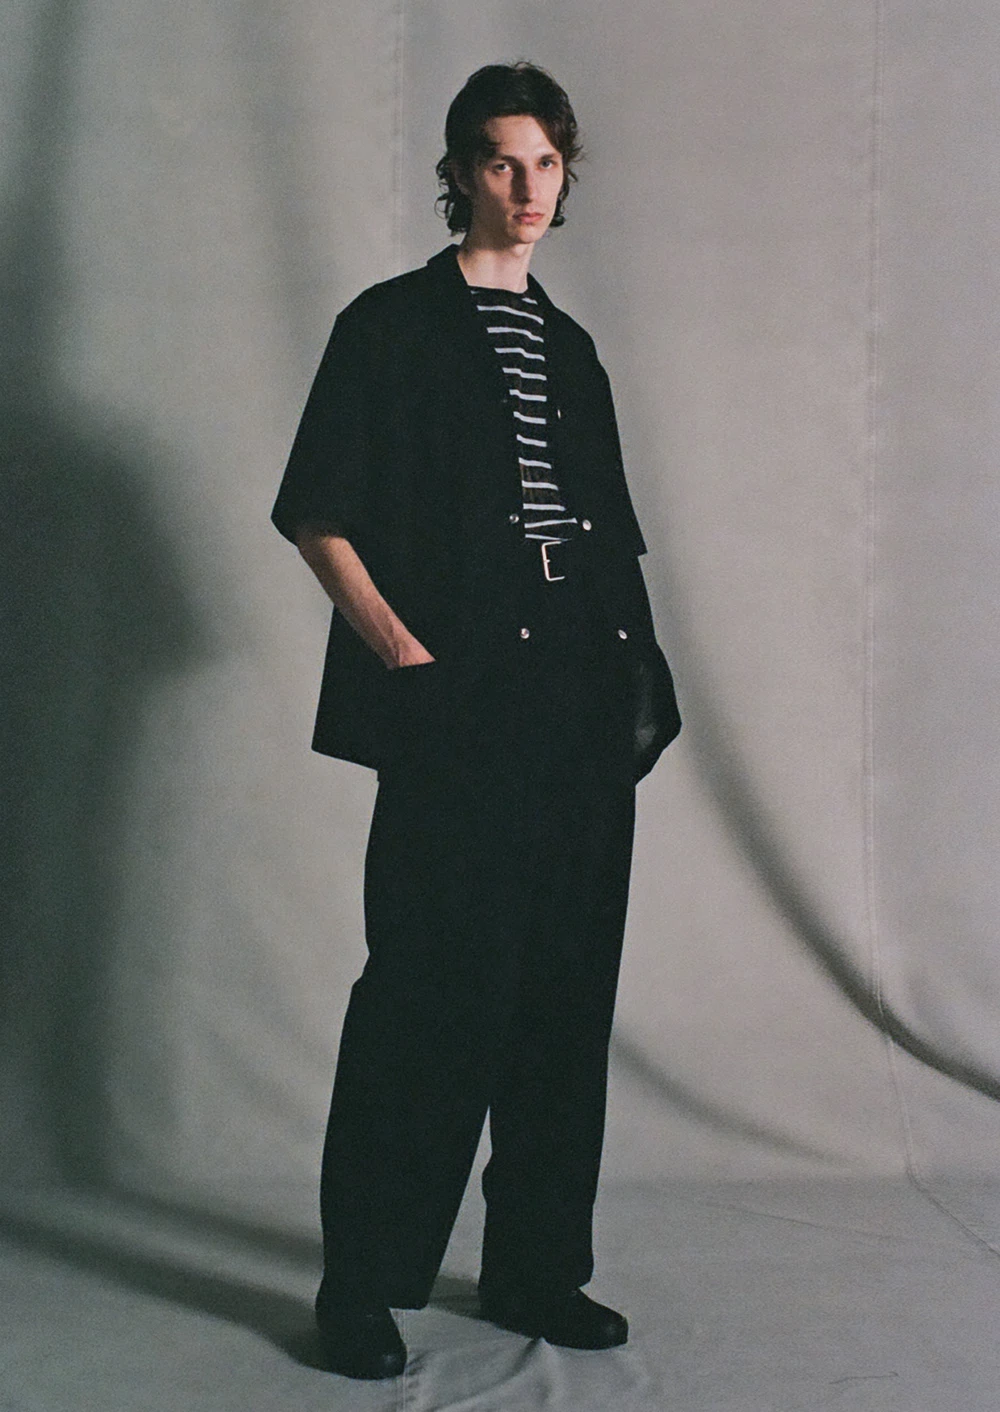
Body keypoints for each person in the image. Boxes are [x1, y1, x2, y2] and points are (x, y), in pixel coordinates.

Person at [271, 60, 681, 1381]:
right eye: (503, 160)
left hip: (578, 697)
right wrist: (405, 657)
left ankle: (536, 1267)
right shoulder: (389, 327)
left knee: (566, 989)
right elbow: (316, 511)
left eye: (547, 162)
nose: (528, 186)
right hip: (459, 695)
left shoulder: (573, 350)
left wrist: (635, 683)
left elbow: (610, 539)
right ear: (459, 172)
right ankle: (361, 1282)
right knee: (427, 990)